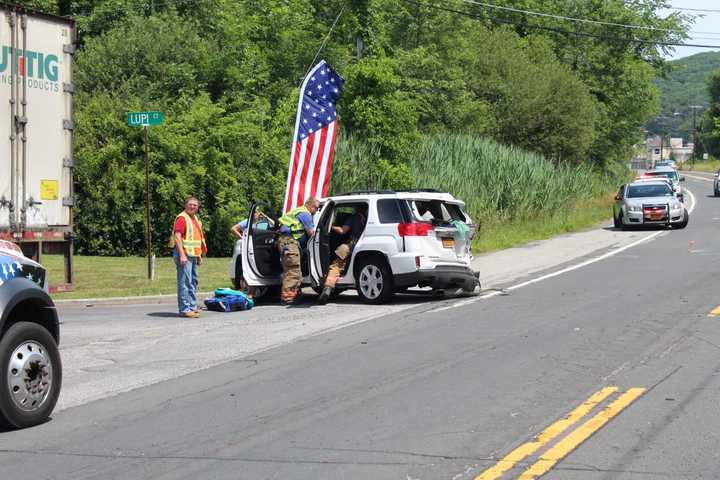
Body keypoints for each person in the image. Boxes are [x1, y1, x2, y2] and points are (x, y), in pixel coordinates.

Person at [318, 205, 367, 304]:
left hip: (351, 244)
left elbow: (342, 231)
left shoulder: (353, 217)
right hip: (363, 244)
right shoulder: (367, 218)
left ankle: (328, 287)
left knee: (336, 265)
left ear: (357, 208)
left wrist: (329, 226)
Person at [276, 197, 320, 305]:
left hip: (287, 242)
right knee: (293, 271)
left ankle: (293, 294)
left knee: (292, 271)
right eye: (316, 208)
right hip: (289, 243)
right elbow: (311, 233)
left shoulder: (298, 211)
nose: (316, 211)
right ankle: (287, 298)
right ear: (310, 206)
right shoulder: (305, 214)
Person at [169, 197, 207, 318]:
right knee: (184, 282)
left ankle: (192, 306)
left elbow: (197, 239)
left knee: (192, 282)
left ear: (198, 207)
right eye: (190, 204)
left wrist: (199, 255)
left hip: (193, 256)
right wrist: (182, 254)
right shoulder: (182, 218)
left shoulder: (195, 219)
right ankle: (185, 309)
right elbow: (177, 236)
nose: (192, 207)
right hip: (184, 255)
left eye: (195, 205)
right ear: (186, 205)